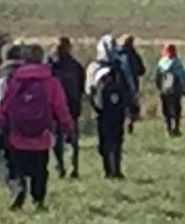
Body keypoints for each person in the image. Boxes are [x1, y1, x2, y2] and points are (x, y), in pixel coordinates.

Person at [0, 41, 74, 211]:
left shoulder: (13, 79)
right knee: (40, 169)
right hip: (41, 134)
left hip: (16, 134)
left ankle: (18, 188)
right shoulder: (51, 80)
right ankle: (38, 200)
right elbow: (60, 107)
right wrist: (67, 125)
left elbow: (2, 105)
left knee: (14, 167)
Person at [87, 34, 136, 179]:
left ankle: (108, 169)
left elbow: (88, 90)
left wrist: (93, 105)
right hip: (117, 109)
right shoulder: (121, 65)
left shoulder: (93, 67)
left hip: (101, 110)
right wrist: (131, 106)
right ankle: (116, 169)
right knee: (117, 139)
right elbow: (129, 86)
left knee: (104, 140)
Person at [47, 37, 87, 179]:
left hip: (53, 106)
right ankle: (73, 168)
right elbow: (82, 86)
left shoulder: (48, 65)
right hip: (72, 105)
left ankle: (60, 168)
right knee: (72, 138)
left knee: (56, 138)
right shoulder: (75, 65)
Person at [154, 43, 185, 137]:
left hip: (164, 90)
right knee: (177, 109)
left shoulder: (160, 63)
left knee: (165, 110)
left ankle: (168, 128)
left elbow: (156, 77)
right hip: (175, 90)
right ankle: (176, 128)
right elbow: (182, 76)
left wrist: (159, 86)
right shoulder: (177, 63)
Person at [117, 34, 145, 134]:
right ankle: (129, 120)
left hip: (118, 84)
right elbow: (142, 70)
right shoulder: (134, 56)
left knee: (120, 105)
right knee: (131, 104)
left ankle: (121, 123)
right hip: (132, 84)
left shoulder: (116, 55)